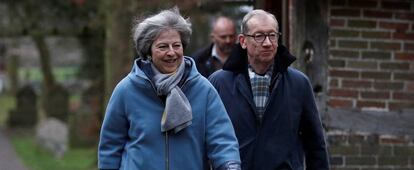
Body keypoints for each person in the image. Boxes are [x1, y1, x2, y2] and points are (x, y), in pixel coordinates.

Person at [98, 7, 241, 170]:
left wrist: (230, 165)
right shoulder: (126, 90)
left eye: (176, 45)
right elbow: (110, 147)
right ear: (148, 51)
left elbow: (222, 140)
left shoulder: (203, 89)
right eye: (163, 47)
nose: (171, 53)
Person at [209, 9, 329, 170]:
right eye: (259, 36)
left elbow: (316, 145)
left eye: (272, 35)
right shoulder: (220, 83)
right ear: (243, 41)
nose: (267, 43)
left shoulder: (299, 84)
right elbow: (206, 139)